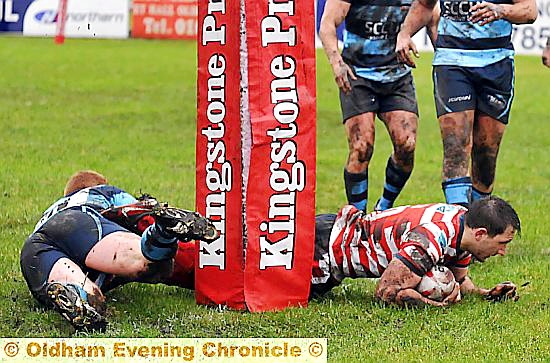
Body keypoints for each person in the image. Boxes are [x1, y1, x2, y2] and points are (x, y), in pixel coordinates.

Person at [168, 196, 521, 307]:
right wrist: (436, 304)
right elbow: (387, 291)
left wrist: (487, 294)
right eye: (501, 243)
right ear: (480, 233)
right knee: (215, 272)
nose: (502, 252)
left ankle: (154, 241)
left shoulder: (459, 225)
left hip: (329, 237)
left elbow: (461, 279)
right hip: (320, 254)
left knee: (226, 257)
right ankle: (148, 249)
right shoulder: (431, 238)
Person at [20, 170, 218, 330]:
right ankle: (163, 232)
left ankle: (78, 293)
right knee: (146, 263)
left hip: (35, 247)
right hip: (79, 223)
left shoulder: (52, 210)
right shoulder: (101, 192)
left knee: (88, 296)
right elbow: (138, 213)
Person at [395, 0, 537, 207]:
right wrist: (405, 34)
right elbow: (425, 5)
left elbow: (530, 11)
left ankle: (479, 219)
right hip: (452, 62)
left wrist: (500, 10)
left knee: (486, 153)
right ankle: (460, 225)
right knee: (455, 147)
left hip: (496, 64)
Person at [318, 0, 438, 212]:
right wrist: (337, 63)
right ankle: (357, 218)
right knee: (361, 147)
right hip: (357, 76)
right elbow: (327, 24)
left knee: (407, 144)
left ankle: (383, 207)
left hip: (397, 77)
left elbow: (432, 14)